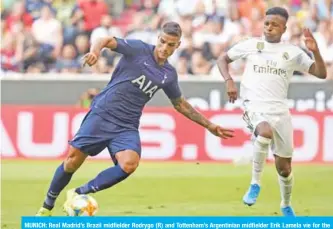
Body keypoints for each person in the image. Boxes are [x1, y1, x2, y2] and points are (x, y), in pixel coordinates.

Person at [36, 21, 235, 216]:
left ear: (178, 45)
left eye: (171, 45)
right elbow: (105, 39)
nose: (165, 48)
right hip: (102, 113)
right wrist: (96, 51)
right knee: (72, 162)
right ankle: (47, 206)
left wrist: (209, 125)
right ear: (158, 38)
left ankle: (79, 193)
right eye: (163, 42)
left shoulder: (168, 75)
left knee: (129, 164)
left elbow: (180, 104)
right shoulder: (138, 49)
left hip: (126, 125)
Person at [217, 7, 327, 216]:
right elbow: (222, 59)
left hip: (280, 110)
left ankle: (285, 204)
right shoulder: (251, 45)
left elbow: (321, 73)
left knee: (284, 168)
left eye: (275, 24)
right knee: (264, 132)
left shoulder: (293, 52)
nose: (269, 27)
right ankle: (255, 183)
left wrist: (315, 51)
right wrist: (229, 81)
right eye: (267, 23)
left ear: (284, 29)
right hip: (254, 105)